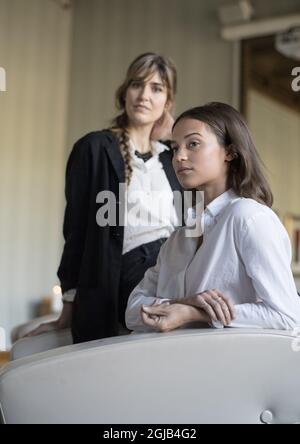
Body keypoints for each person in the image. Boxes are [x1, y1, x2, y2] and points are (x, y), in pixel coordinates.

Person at [26, 53, 182, 343]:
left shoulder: (172, 158)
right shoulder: (95, 148)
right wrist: (69, 305)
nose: (144, 96)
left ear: (167, 103)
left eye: (157, 88)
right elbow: (76, 230)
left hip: (178, 259)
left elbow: (195, 218)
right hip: (130, 268)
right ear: (125, 91)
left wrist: (176, 136)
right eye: (137, 85)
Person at [125, 102, 300, 333]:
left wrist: (195, 313)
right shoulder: (178, 238)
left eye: (193, 144)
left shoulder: (249, 218)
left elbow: (287, 316)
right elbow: (132, 313)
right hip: (174, 364)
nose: (179, 157)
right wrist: (184, 303)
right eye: (175, 148)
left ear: (229, 151)